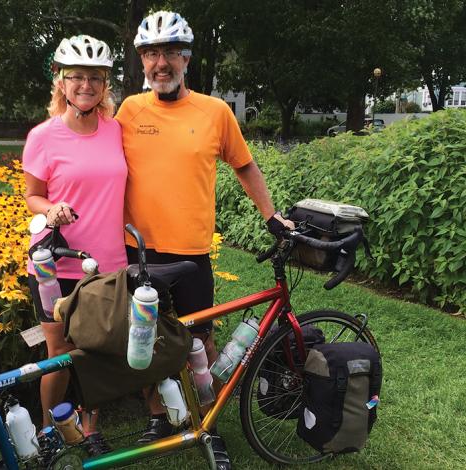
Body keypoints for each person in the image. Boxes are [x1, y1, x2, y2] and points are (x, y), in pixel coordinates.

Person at [116, 10, 294, 470]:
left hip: (194, 250)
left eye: (170, 52)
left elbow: (245, 166)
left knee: (201, 340)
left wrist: (271, 215)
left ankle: (207, 418)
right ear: (142, 60)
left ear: (186, 59)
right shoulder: (129, 111)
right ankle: (159, 415)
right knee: (146, 339)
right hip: (141, 251)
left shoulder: (215, 112)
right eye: (152, 53)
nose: (161, 63)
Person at [22, 34, 126, 456]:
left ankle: (90, 426)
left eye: (96, 78)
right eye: (77, 77)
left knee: (97, 348)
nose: (86, 85)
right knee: (58, 353)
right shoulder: (43, 136)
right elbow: (32, 195)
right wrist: (50, 210)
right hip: (55, 264)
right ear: (60, 81)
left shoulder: (116, 130)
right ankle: (50, 432)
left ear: (105, 85)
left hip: (106, 262)